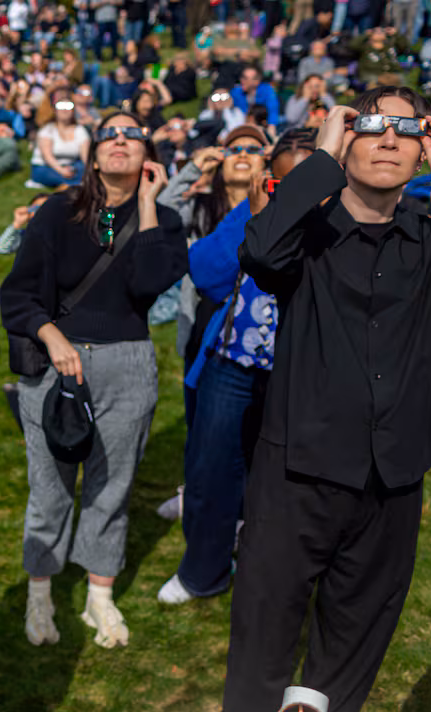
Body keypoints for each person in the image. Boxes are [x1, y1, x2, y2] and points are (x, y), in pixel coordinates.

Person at [203, 88, 431, 712]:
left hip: (393, 469)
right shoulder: (306, 231)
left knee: (360, 621)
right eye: (372, 126)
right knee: (267, 611)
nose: (389, 140)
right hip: (299, 460)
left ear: (424, 149)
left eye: (407, 129)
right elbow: (258, 251)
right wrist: (324, 157)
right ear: (345, 139)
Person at [0, 112, 188, 649]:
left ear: (148, 154)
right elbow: (18, 294)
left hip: (128, 363)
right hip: (55, 364)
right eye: (109, 134)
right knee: (49, 487)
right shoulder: (59, 211)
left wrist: (147, 205)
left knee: (112, 486)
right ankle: (40, 591)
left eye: (132, 134)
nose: (120, 140)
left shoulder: (165, 221)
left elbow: (148, 284)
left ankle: (99, 596)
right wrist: (52, 337)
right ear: (95, 154)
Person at [158, 128, 318, 607]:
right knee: (210, 468)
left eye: (308, 183)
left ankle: (269, 571)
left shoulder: (338, 222)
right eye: (282, 183)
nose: (294, 194)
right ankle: (203, 571)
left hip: (299, 369)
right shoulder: (252, 209)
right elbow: (206, 273)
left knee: (285, 478)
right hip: (232, 359)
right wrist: (253, 214)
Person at [26, 91, 91, 188]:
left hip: (71, 166)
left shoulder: (80, 130)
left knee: (82, 168)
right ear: (55, 110)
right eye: (61, 106)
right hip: (47, 166)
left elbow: (85, 157)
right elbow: (47, 157)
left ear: (73, 110)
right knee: (46, 174)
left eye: (68, 106)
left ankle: (74, 183)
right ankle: (75, 184)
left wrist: (89, 170)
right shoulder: (47, 130)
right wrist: (61, 170)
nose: (65, 110)